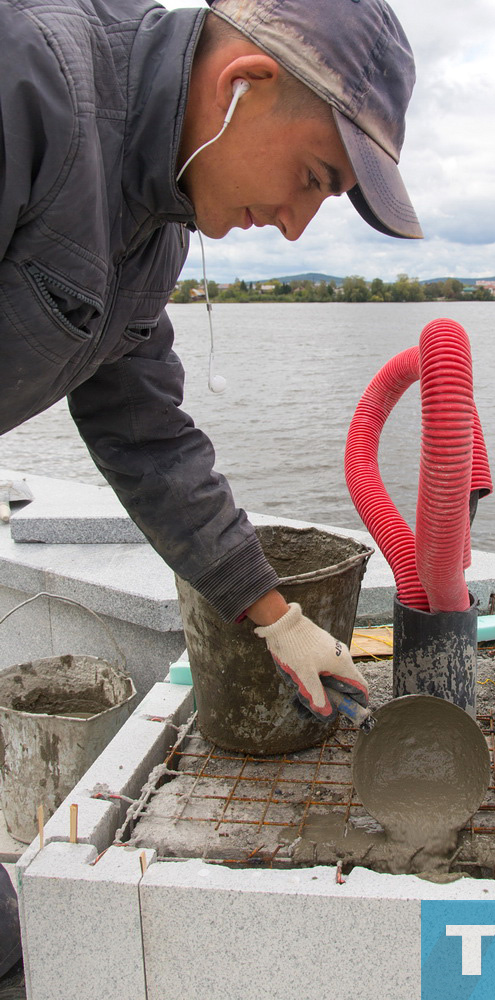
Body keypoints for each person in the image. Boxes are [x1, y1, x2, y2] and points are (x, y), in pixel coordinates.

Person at [0, 0, 422, 719]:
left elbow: (146, 436)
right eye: (314, 178)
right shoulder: (28, 74)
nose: (294, 227)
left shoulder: (156, 227)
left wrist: (278, 620)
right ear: (244, 82)